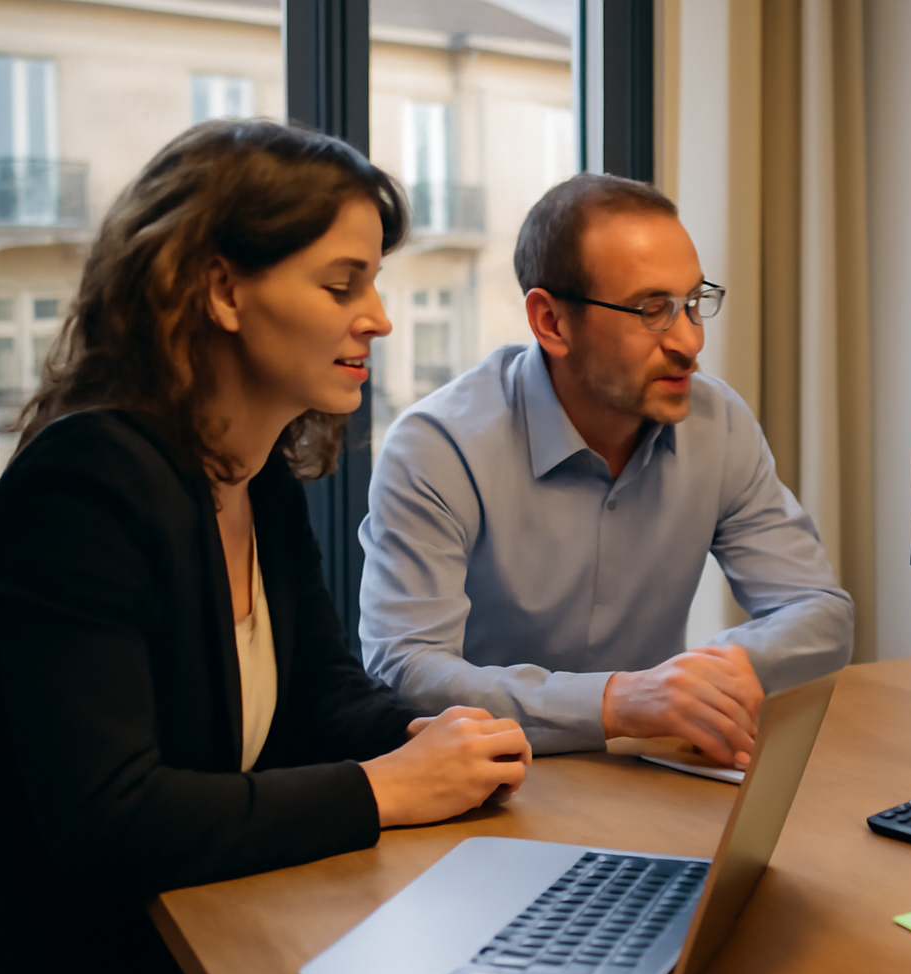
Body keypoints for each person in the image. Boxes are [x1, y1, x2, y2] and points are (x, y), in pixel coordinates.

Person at [0, 120, 532, 974]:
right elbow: (112, 822)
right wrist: (389, 786)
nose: (377, 316)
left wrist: (449, 735)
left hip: (210, 931)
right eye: (345, 283)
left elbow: (322, 698)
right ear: (221, 287)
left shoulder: (256, 479)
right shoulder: (81, 487)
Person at [359, 173, 853, 767]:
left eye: (694, 304)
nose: (690, 342)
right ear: (551, 323)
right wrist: (619, 701)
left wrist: (717, 672)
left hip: (656, 770)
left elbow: (820, 612)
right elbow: (407, 670)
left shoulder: (717, 421)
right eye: (652, 310)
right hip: (492, 782)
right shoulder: (438, 446)